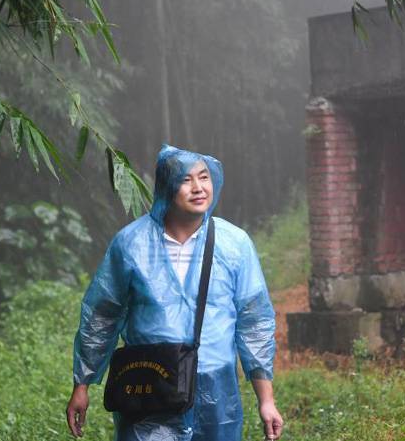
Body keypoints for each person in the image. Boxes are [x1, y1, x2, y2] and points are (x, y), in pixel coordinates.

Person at [66, 145, 283, 441]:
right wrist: (82, 385)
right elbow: (102, 316)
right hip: (149, 383)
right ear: (167, 186)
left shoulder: (234, 244)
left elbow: (254, 322)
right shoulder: (131, 244)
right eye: (186, 179)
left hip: (215, 389)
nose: (198, 188)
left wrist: (266, 400)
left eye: (204, 177)